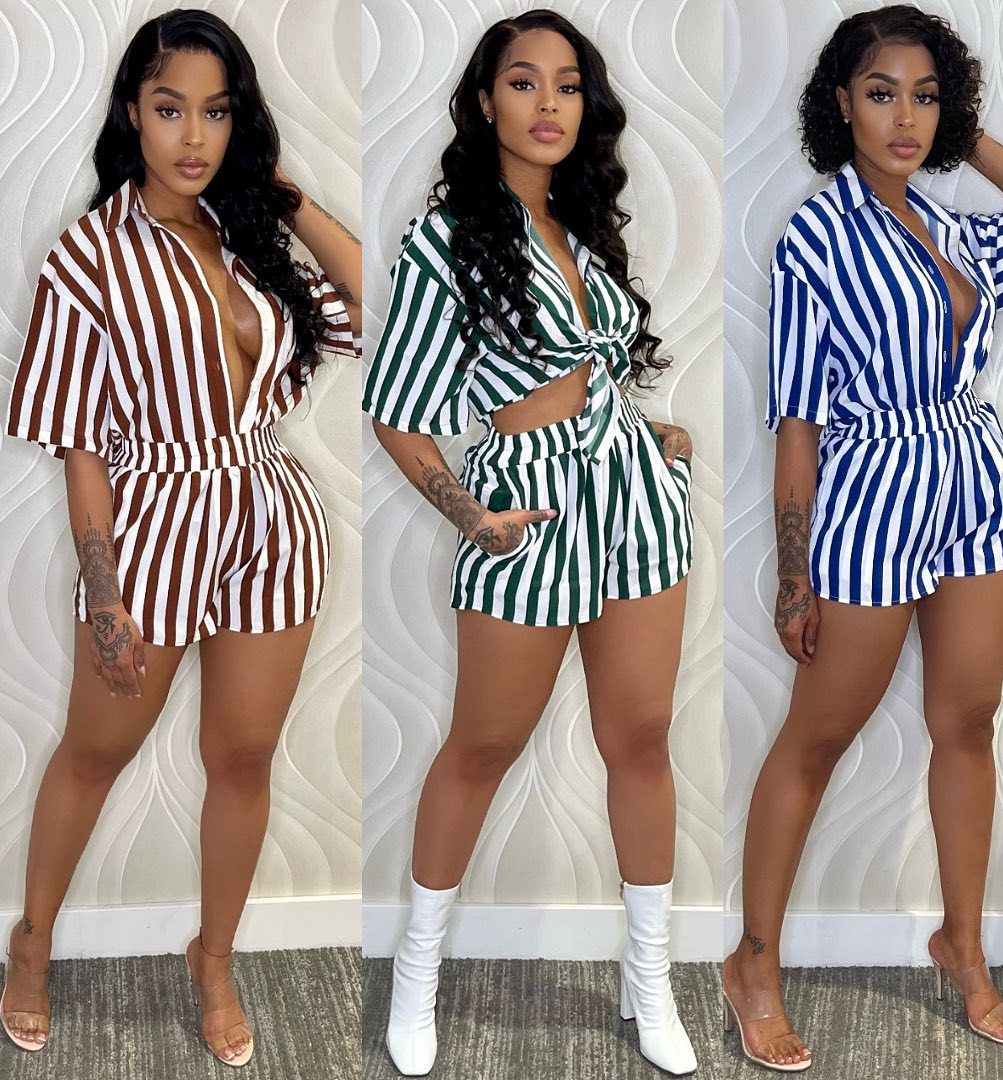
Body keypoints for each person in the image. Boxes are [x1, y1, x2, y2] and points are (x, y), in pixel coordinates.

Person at [722, 4, 1003, 1072]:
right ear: (842, 103)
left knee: (968, 721)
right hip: (872, 494)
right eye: (882, 94)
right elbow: (797, 421)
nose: (905, 118)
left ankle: (962, 943)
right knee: (816, 738)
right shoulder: (816, 236)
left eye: (926, 97)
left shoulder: (951, 224)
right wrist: (794, 577)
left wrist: (968, 139)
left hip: (974, 484)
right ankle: (753, 962)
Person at [1, 10, 360, 1067]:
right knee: (94, 752)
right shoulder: (90, 255)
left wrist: (278, 189)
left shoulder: (248, 234)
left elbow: (365, 299)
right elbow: (79, 445)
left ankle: (215, 958)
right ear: (132, 113)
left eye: (217, 111)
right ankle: (31, 944)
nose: (193, 136)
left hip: (272, 519)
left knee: (241, 757)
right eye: (170, 109)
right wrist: (105, 595)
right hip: (154, 524)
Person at [363, 9, 696, 1076]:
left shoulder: (584, 232)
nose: (548, 102)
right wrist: (472, 516)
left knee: (641, 738)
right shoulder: (447, 238)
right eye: (522, 81)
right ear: (483, 102)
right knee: (482, 745)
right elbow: (396, 411)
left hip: (634, 503)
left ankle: (650, 981)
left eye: (567, 84)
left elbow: (595, 375)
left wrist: (654, 435)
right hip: (530, 513)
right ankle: (418, 972)